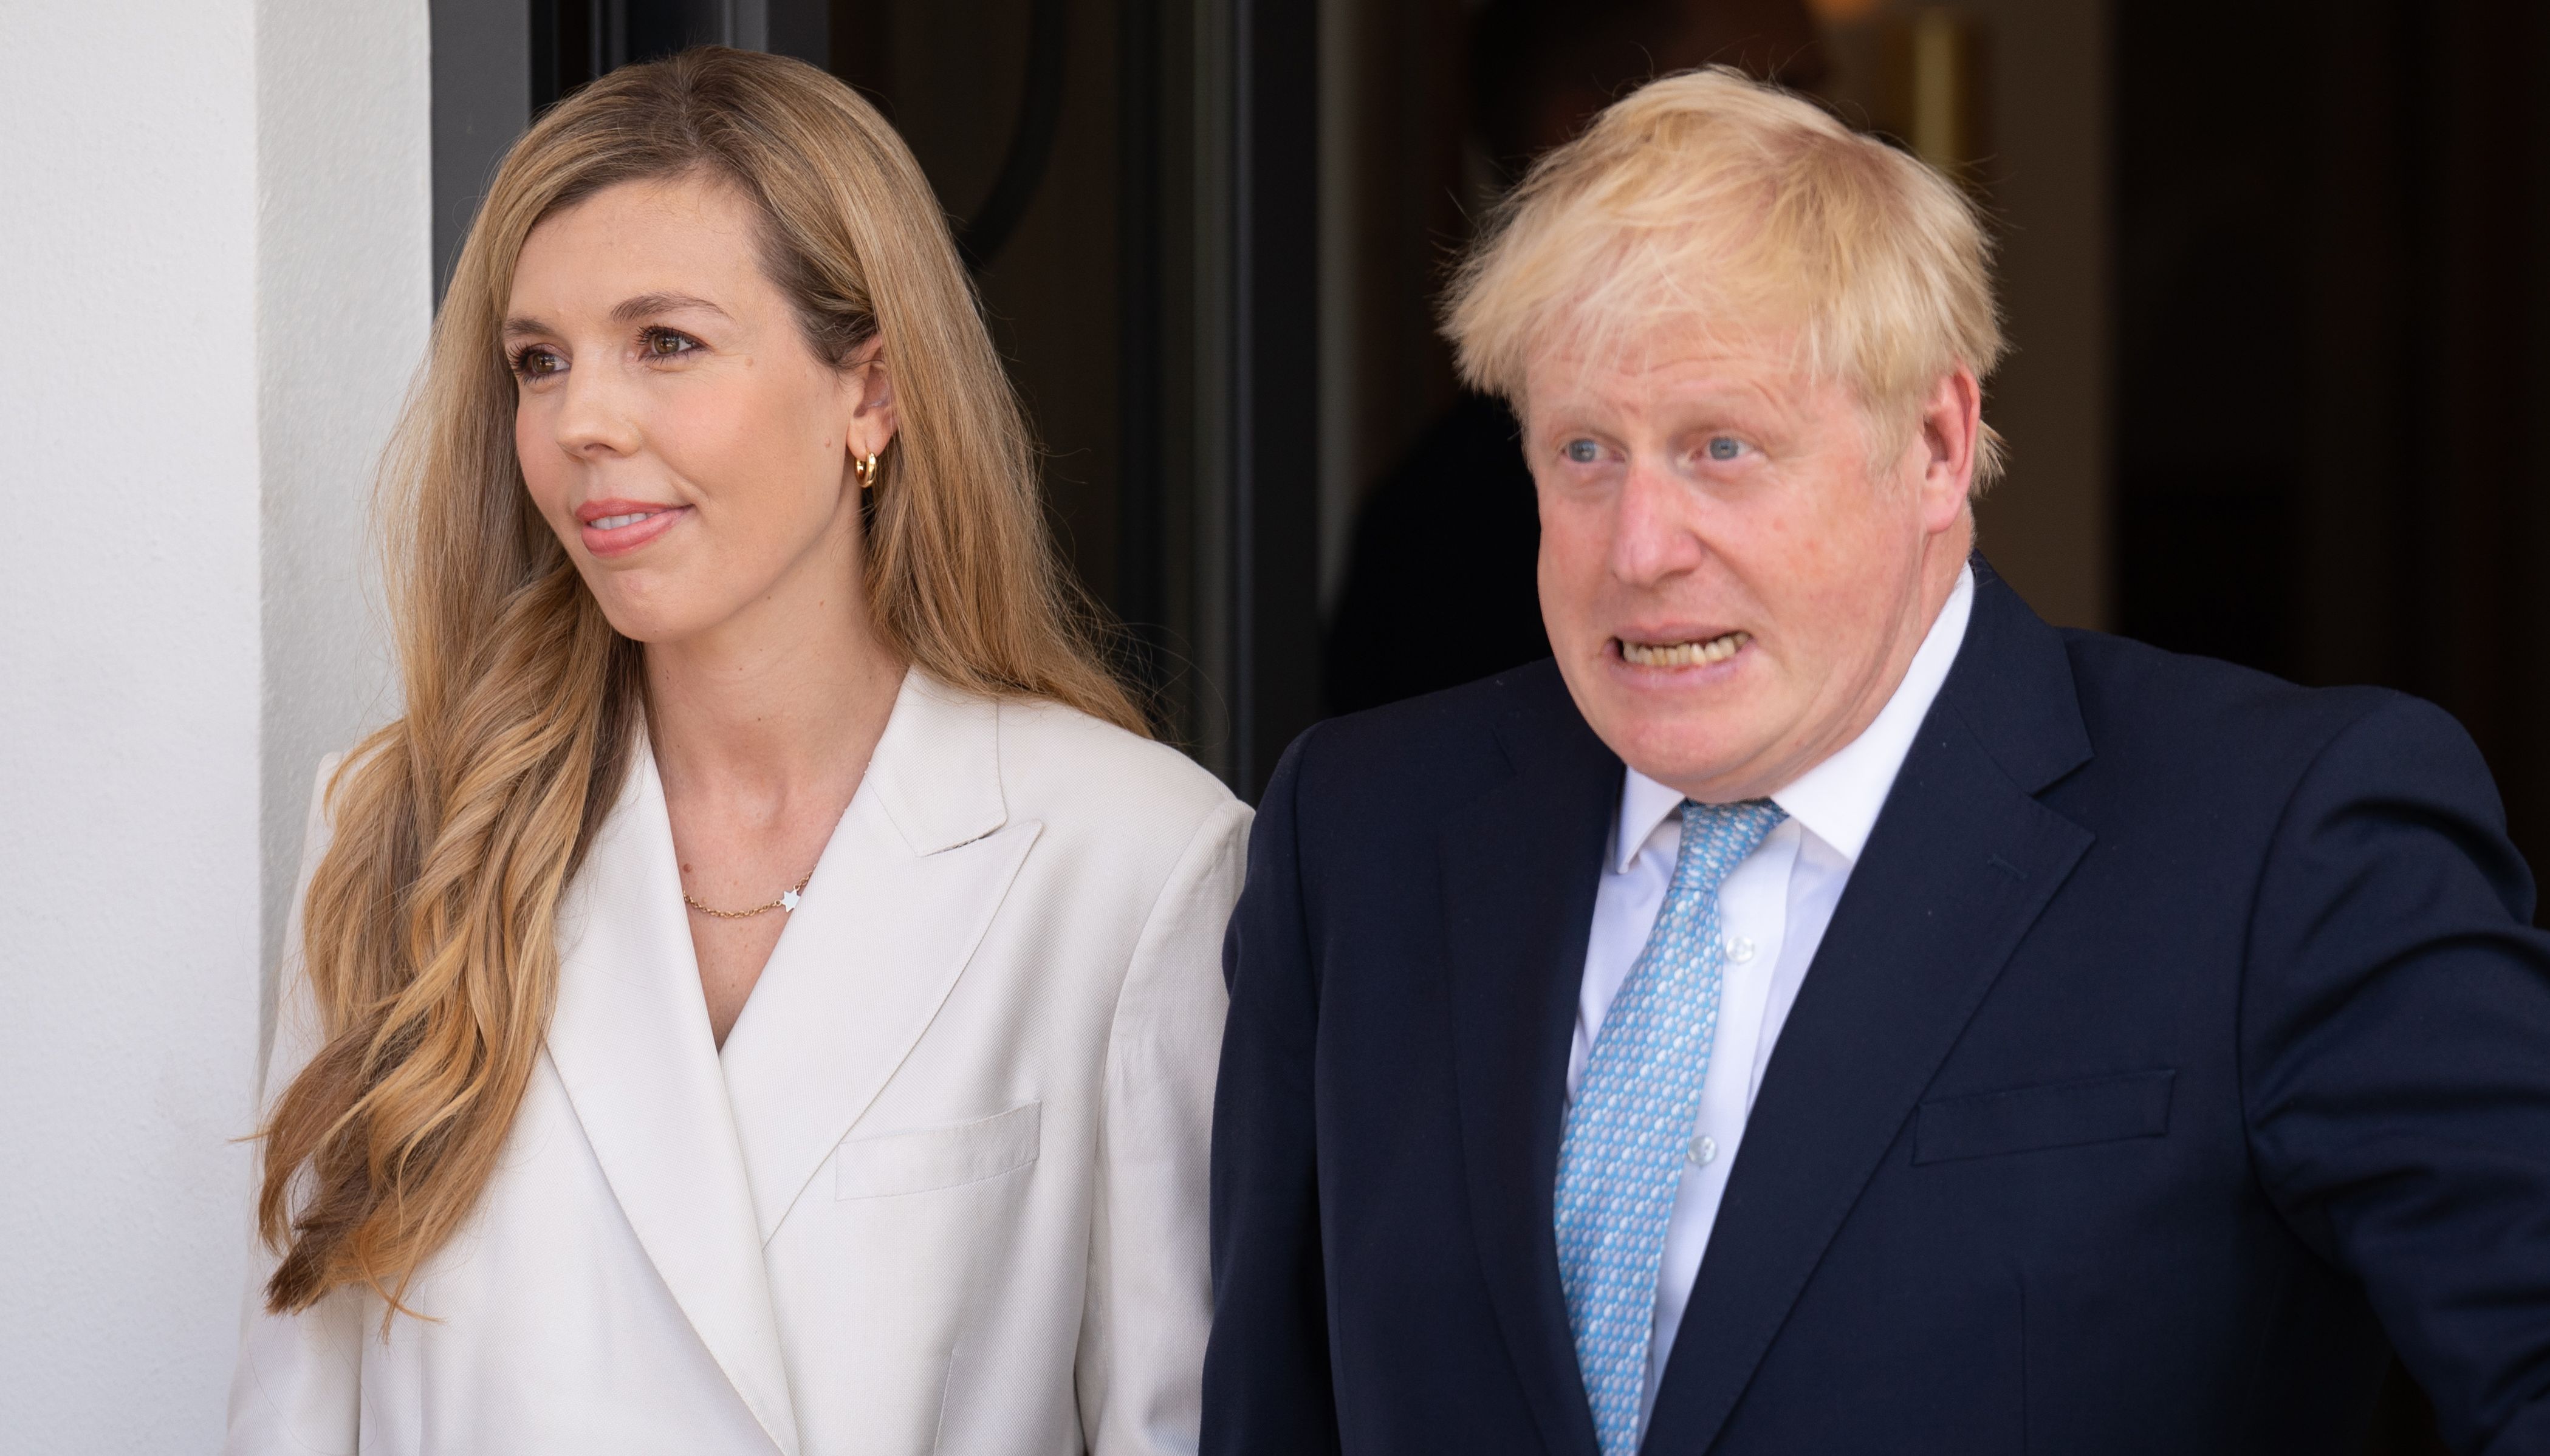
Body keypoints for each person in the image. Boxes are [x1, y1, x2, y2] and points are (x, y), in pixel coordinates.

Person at [1205, 68, 2550, 1455]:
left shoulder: (2283, 842)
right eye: (1584, 451)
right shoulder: (1360, 836)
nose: (1637, 545)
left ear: (1935, 446)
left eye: (1720, 447)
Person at [225, 49, 1246, 1456]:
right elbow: (295, 1412)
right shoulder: (403, 822)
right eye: (539, 361)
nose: (581, 419)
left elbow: (1173, 1423)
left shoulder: (1128, 859)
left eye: (667, 342)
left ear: (869, 394)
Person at [1323, 0, 1826, 715]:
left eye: (1724, 448)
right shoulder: (1441, 531)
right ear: (1581, 137)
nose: (1830, 139)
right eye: (1775, 96)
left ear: (1939, 445)